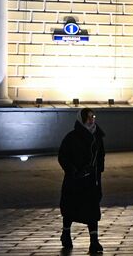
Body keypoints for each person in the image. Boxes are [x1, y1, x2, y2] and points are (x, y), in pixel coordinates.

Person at [57, 108, 106, 253]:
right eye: (88, 117)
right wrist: (74, 171)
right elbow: (63, 156)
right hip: (75, 180)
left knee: (92, 209)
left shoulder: (97, 136)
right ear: (82, 119)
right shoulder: (72, 137)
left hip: (91, 180)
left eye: (93, 116)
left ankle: (94, 242)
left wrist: (98, 171)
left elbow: (101, 156)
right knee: (70, 209)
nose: (91, 120)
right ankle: (66, 234)